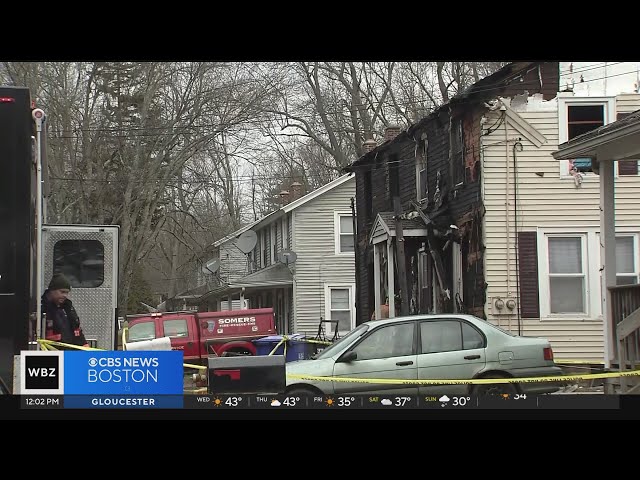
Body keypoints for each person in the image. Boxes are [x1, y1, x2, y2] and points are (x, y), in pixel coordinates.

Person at [42, 273, 89, 348]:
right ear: (52, 290)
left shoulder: (68, 306)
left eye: (67, 292)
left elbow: (76, 328)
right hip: (51, 351)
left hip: (69, 350)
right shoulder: (42, 307)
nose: (65, 295)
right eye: (62, 292)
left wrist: (84, 344)